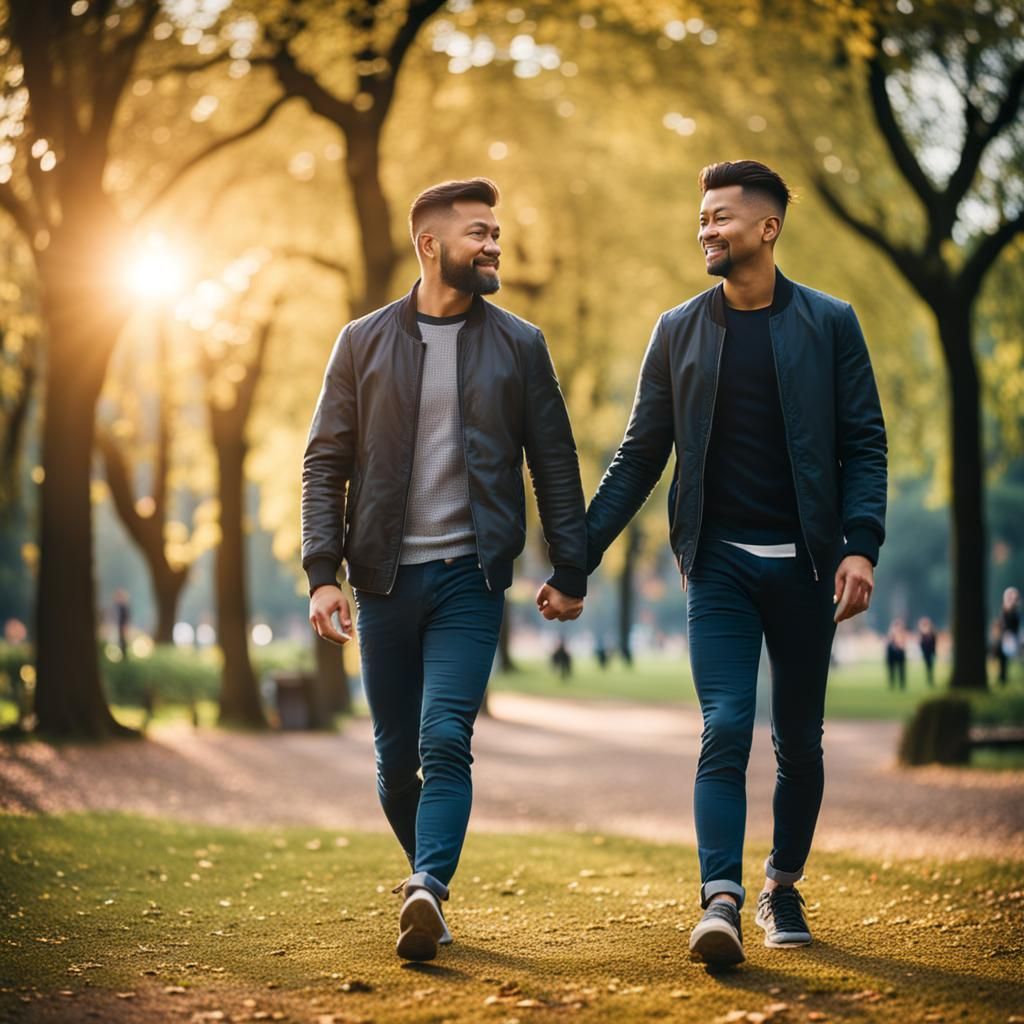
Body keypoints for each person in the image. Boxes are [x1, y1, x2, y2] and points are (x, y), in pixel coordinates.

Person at [585, 161, 887, 966]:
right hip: (717, 563)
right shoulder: (678, 330)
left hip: (808, 568)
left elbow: (864, 444)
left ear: (767, 228)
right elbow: (638, 458)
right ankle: (718, 899)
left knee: (800, 743)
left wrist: (860, 545)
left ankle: (780, 885)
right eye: (702, 219)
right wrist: (576, 557)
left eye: (720, 217)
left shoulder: (831, 323)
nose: (706, 231)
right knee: (724, 724)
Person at [301, 178, 586, 962]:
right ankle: (423, 883)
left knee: (445, 736)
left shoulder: (520, 345)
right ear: (431, 246)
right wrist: (323, 572)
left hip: (471, 577)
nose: (493, 246)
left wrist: (571, 565)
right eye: (478, 234)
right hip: (384, 581)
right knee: (396, 760)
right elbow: (324, 463)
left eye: (495, 233)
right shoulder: (362, 341)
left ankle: (427, 883)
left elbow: (554, 462)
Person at [997, 586, 1021, 685]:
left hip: (1011, 638)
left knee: (1004, 655)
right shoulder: (1005, 611)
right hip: (1006, 638)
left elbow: (1014, 627)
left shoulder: (1014, 612)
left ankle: (1003, 677)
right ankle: (1002, 677)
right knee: (1002, 655)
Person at [885, 619, 907, 691]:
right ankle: (892, 685)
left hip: (900, 654)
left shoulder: (902, 635)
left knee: (901, 671)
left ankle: (902, 685)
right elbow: (888, 645)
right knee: (892, 671)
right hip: (892, 655)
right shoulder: (890, 635)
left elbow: (903, 645)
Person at [917, 617, 937, 687]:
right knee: (928, 666)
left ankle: (931, 679)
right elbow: (920, 644)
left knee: (930, 666)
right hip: (926, 653)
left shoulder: (931, 633)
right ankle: (929, 679)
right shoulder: (922, 634)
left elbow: (934, 643)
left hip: (931, 652)